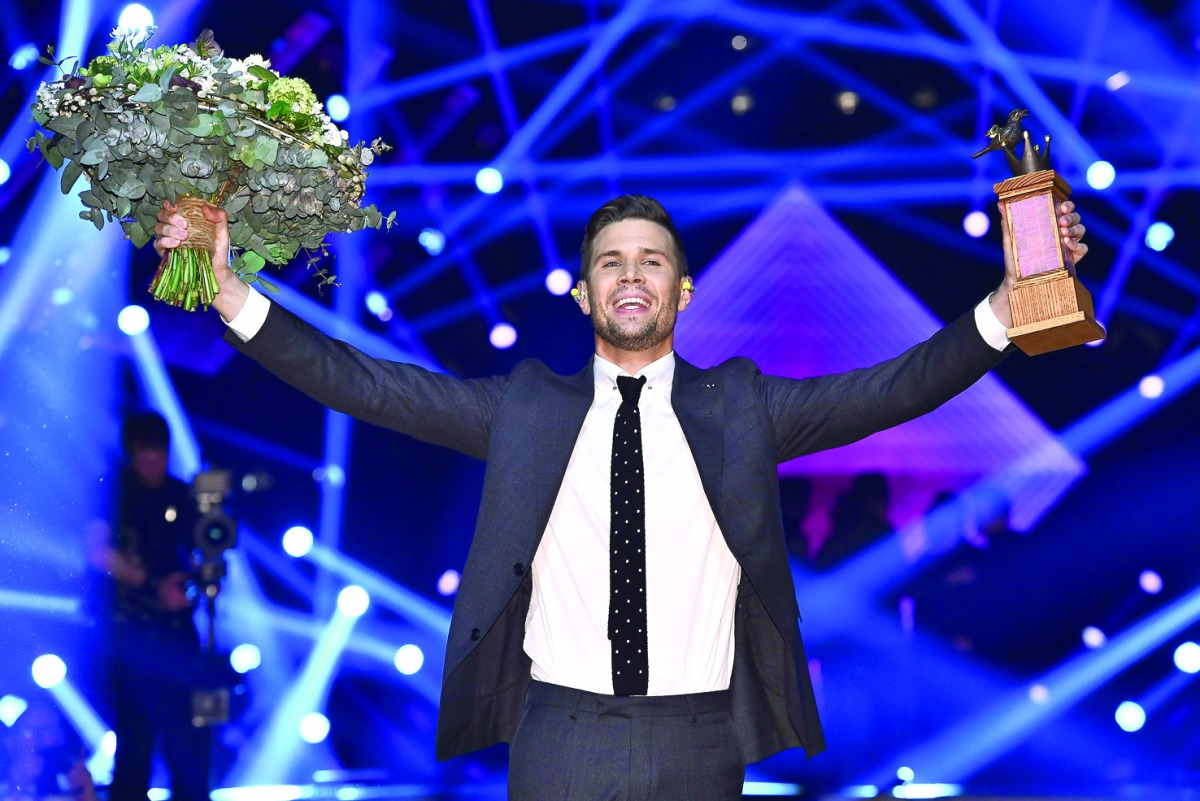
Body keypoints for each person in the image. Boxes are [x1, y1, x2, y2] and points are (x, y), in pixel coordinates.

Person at [153, 193, 1087, 799]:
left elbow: (894, 387)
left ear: (683, 292)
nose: (631, 275)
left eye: (651, 261)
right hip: (560, 734)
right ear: (583, 293)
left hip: (699, 736)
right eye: (610, 260)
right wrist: (231, 293)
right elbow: (366, 383)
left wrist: (1006, 310)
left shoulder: (745, 406)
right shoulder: (523, 406)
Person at [86, 412, 210, 801]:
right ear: (132, 454)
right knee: (135, 740)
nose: (154, 466)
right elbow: (97, 552)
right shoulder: (114, 492)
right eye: (146, 458)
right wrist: (156, 584)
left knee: (188, 741)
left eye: (160, 457)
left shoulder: (182, 495)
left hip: (177, 635)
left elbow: (203, 553)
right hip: (131, 632)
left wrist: (197, 581)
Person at [0, 701, 98, 801]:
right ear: (10, 742)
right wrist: (18, 788)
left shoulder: (74, 786)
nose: (38, 739)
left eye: (48, 731)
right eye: (28, 732)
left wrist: (85, 792)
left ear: (61, 739)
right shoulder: (4, 790)